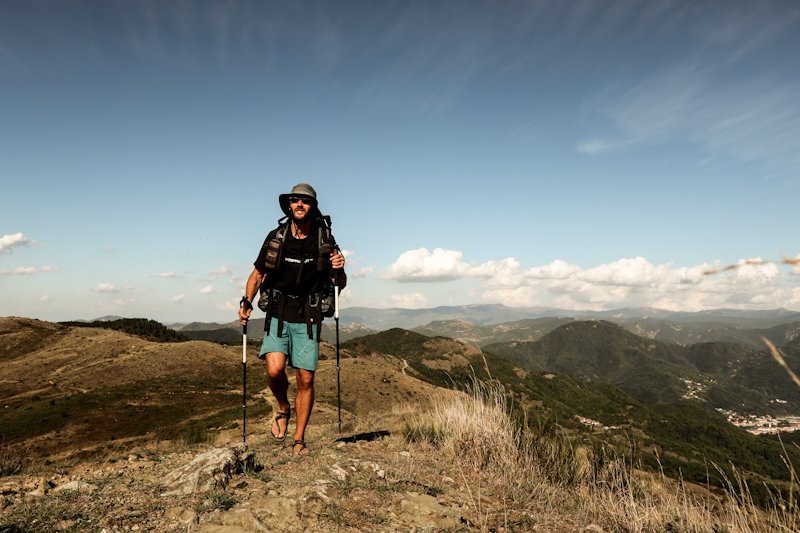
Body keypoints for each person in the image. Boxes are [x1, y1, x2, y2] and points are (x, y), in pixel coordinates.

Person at [238, 183, 346, 456]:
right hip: (277, 311)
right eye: (295, 200)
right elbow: (257, 273)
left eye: (305, 201)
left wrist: (340, 269)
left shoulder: (325, 240)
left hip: (308, 316)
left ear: (313, 206)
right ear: (289, 205)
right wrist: (246, 302)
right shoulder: (277, 236)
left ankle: (299, 439)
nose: (299, 204)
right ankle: (284, 408)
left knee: (305, 379)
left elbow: (338, 284)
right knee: (274, 371)